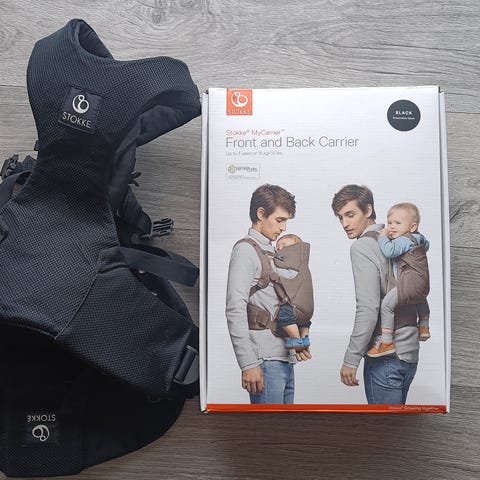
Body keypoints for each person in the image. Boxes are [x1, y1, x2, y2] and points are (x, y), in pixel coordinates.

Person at [331, 184, 420, 404]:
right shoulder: (402, 237)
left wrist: (351, 359)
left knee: (384, 425)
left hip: (384, 357)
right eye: (340, 217)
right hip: (410, 354)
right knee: (396, 423)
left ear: (368, 210)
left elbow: (368, 308)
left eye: (350, 214)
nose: (345, 224)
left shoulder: (362, 247)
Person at [226, 184, 311, 404]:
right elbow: (235, 308)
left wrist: (298, 341)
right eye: (279, 220)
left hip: (285, 358)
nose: (284, 228)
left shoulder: (275, 251)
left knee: (283, 424)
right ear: (261, 213)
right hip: (264, 360)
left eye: (286, 221)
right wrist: (248, 363)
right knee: (268, 425)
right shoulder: (246, 250)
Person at [368, 203, 431, 357]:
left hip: (407, 284)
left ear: (412, 227)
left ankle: (387, 342)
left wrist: (383, 238)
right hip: (422, 284)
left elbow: (390, 251)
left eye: (398, 223)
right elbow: (427, 246)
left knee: (387, 305)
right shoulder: (419, 239)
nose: (391, 227)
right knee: (419, 299)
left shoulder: (404, 240)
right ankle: (424, 326)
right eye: (389, 222)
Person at [275, 234, 313, 351]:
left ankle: (296, 338)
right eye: (277, 248)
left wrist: (271, 265)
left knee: (284, 315)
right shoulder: (303, 266)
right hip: (307, 311)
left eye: (284, 246)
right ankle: (304, 338)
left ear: (296, 249)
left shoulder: (294, 267)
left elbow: (286, 275)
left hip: (296, 308)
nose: (280, 250)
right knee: (304, 323)